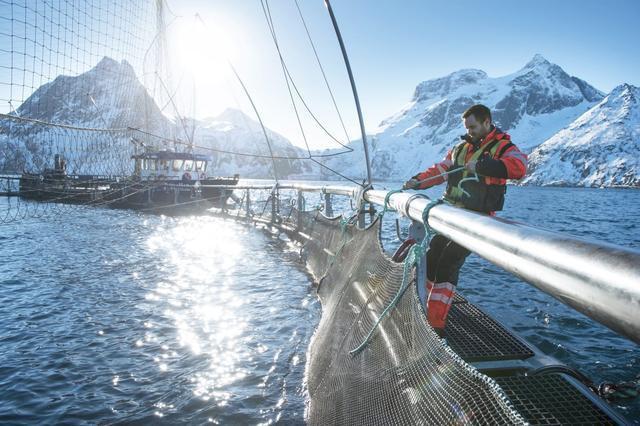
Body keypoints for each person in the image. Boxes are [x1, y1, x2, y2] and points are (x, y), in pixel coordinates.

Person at [402, 104, 527, 336]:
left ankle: (435, 324)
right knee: (434, 254)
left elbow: (519, 167)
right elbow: (440, 170)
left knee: (449, 261)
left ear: (487, 122)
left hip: (477, 219)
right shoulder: (459, 148)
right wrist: (417, 181)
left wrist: (483, 165)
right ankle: (423, 306)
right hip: (452, 215)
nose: (469, 131)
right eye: (467, 127)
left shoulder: (504, 147)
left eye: (473, 126)